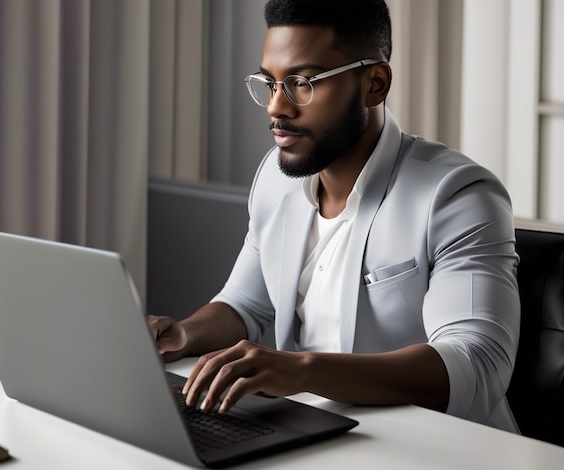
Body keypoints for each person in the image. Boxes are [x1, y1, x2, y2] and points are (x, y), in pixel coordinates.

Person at [148, 0, 520, 432]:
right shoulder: (275, 176)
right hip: (316, 433)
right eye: (269, 83)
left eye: (303, 83)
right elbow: (246, 304)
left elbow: (476, 363)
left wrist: (301, 371)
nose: (275, 108)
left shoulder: (457, 194)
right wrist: (184, 334)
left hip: (441, 448)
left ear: (375, 84)